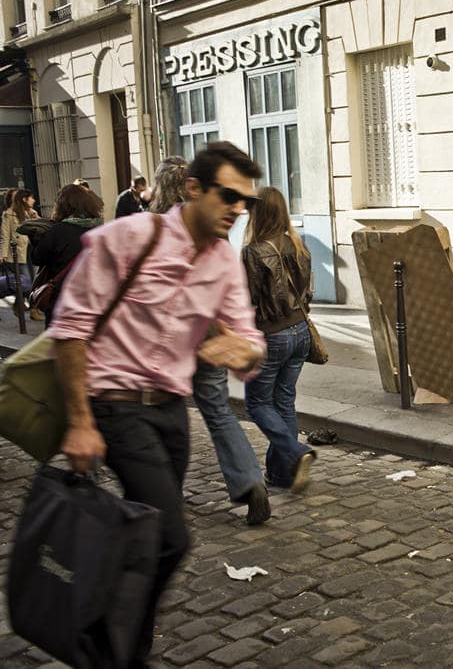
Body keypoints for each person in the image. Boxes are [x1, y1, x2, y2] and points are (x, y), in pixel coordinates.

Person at [48, 141, 266, 666]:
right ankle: (104, 639)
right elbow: (70, 331)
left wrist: (244, 349)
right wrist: (79, 423)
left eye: (247, 203)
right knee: (170, 536)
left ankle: (124, 649)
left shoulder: (224, 264)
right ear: (193, 189)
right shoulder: (126, 238)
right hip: (115, 405)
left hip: (171, 410)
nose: (238, 209)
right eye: (229, 196)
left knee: (147, 535)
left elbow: (247, 338)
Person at [149, 155, 271, 525]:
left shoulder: (150, 229)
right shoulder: (214, 233)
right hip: (211, 335)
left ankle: (163, 495)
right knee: (217, 411)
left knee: (160, 412)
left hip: (167, 343)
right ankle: (251, 483)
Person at [242, 186, 316, 492]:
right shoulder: (298, 244)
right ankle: (282, 474)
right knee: (283, 401)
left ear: (257, 213)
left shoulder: (253, 251)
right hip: (300, 331)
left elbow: (247, 300)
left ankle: (296, 451)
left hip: (273, 334)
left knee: (257, 403)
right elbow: (308, 293)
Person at [30, 185, 104, 326]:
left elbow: (37, 258)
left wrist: (35, 239)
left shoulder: (58, 231)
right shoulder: (100, 229)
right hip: (93, 297)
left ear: (62, 206)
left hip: (63, 299)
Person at [1, 189, 43, 321]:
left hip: (31, 252)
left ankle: (20, 306)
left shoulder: (31, 213)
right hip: (18, 253)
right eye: (31, 198)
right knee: (27, 283)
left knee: (34, 281)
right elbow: (5, 235)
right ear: (24, 199)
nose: (34, 200)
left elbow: (42, 228)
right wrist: (2, 254)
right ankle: (32, 309)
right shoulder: (9, 215)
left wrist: (34, 215)